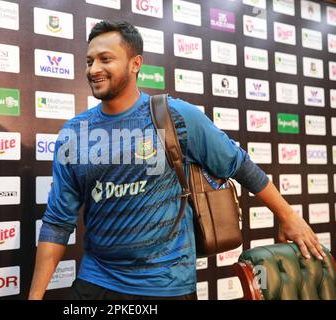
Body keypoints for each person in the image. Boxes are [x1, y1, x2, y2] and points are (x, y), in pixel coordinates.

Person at [29, 20, 326, 300]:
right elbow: (57, 222)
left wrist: (288, 216)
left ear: (136, 64)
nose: (94, 69)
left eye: (105, 59)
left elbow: (239, 164)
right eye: (89, 61)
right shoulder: (74, 133)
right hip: (96, 283)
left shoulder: (176, 116)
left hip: (166, 285)